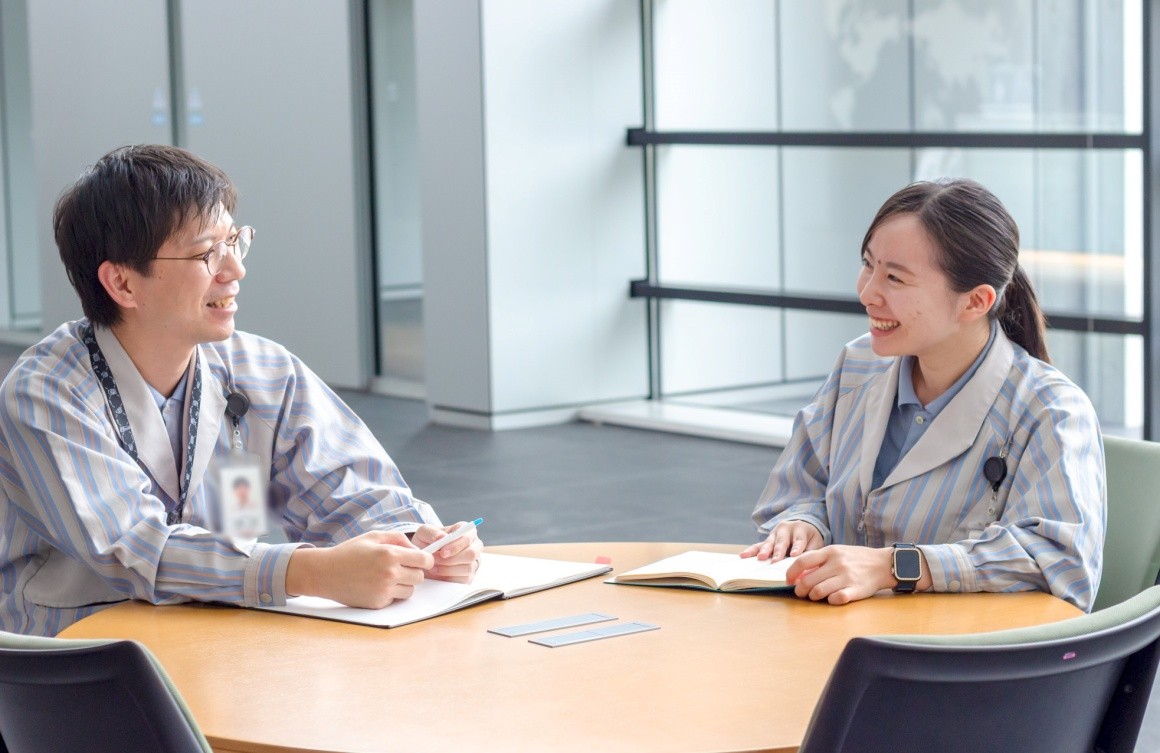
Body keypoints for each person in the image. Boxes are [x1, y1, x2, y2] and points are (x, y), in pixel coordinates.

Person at [0, 145, 482, 636]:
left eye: (234, 241)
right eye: (207, 253)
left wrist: (412, 542)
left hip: (222, 642)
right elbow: (135, 548)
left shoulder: (263, 369)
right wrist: (309, 572)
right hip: (79, 656)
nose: (234, 270)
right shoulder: (47, 393)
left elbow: (349, 487)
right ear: (123, 283)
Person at [742, 178, 1105, 611]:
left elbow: (1061, 562)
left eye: (895, 278)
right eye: (868, 264)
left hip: (960, 650)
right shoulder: (857, 365)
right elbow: (795, 491)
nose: (867, 292)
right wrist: (803, 524)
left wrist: (897, 567)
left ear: (975, 302)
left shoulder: (1050, 410)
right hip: (838, 633)